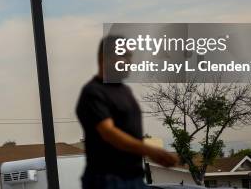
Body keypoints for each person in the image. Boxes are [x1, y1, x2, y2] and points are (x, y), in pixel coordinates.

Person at [76, 35, 178, 188]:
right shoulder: (93, 92)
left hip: (134, 178)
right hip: (107, 179)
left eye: (130, 56)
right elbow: (109, 133)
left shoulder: (125, 91)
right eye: (123, 56)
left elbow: (129, 132)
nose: (129, 62)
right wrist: (150, 150)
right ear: (105, 58)